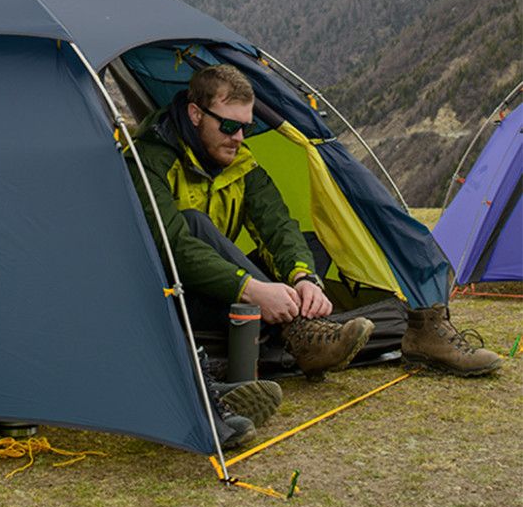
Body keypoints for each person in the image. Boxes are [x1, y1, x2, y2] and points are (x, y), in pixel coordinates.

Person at [125, 64, 503, 390]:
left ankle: (407, 328)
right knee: (195, 224)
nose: (238, 138)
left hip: (224, 290)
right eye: (228, 126)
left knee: (312, 244)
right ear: (195, 114)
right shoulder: (151, 159)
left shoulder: (240, 161)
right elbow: (173, 245)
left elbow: (277, 226)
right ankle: (300, 335)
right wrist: (252, 288)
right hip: (171, 296)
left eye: (245, 128)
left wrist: (304, 278)